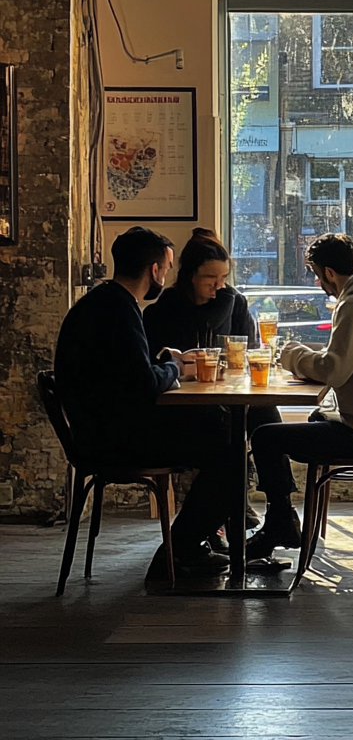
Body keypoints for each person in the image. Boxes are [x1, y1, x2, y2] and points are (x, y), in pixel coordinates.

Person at [53, 226, 234, 575]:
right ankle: (180, 551)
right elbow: (145, 383)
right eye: (165, 268)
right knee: (228, 447)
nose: (165, 276)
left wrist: (163, 362)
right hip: (115, 442)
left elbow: (129, 373)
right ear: (154, 270)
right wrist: (174, 366)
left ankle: (187, 545)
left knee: (219, 429)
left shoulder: (102, 302)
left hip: (98, 432)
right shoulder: (120, 310)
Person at [245, 233, 353, 559]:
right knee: (306, 419)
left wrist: (290, 354)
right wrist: (307, 354)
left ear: (330, 273)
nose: (319, 284)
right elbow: (343, 358)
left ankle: (279, 522)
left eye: (318, 276)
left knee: (264, 437)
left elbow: (334, 370)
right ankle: (283, 520)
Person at [143, 227, 292, 548]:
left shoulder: (234, 303)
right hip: (181, 410)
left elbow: (250, 353)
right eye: (211, 278)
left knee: (266, 416)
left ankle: (281, 511)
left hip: (226, 399)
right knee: (227, 440)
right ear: (189, 276)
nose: (219, 285)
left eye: (224, 277)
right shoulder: (163, 310)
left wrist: (223, 310)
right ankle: (219, 522)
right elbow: (153, 365)